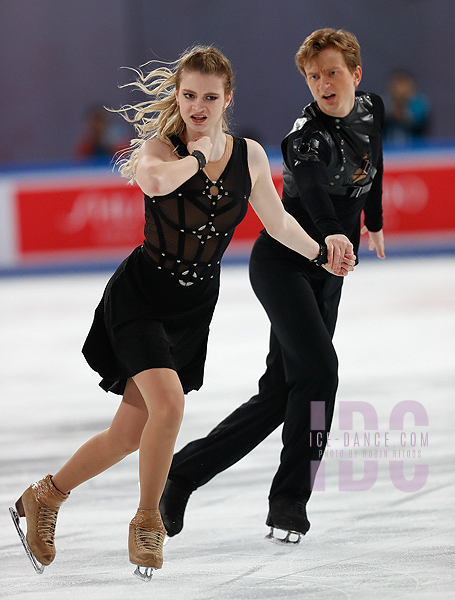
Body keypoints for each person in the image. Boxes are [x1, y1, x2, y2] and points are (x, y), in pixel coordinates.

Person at [10, 46, 354, 581]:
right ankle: (148, 521)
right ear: (178, 95)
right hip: (141, 298)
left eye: (209, 98)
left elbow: (278, 223)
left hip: (193, 309)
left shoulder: (251, 157)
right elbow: (152, 181)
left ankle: (45, 496)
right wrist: (194, 156)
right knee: (167, 406)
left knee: (128, 434)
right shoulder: (160, 149)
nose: (198, 106)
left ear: (227, 100)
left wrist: (322, 253)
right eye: (189, 95)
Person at [160, 29, 386, 544]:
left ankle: (183, 473)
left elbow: (375, 159)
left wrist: (373, 218)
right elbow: (309, 192)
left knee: (280, 392)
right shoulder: (304, 137)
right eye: (313, 76)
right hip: (284, 264)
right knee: (321, 372)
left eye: (332, 72)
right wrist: (331, 235)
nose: (324, 84)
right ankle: (289, 500)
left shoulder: (372, 109)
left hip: (330, 269)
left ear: (355, 74)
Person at [383, 70, 431, 146]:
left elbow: (418, 123)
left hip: (415, 149)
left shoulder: (420, 104)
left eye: (403, 84)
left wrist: (402, 106)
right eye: (397, 84)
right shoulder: (384, 105)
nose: (399, 89)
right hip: (388, 150)